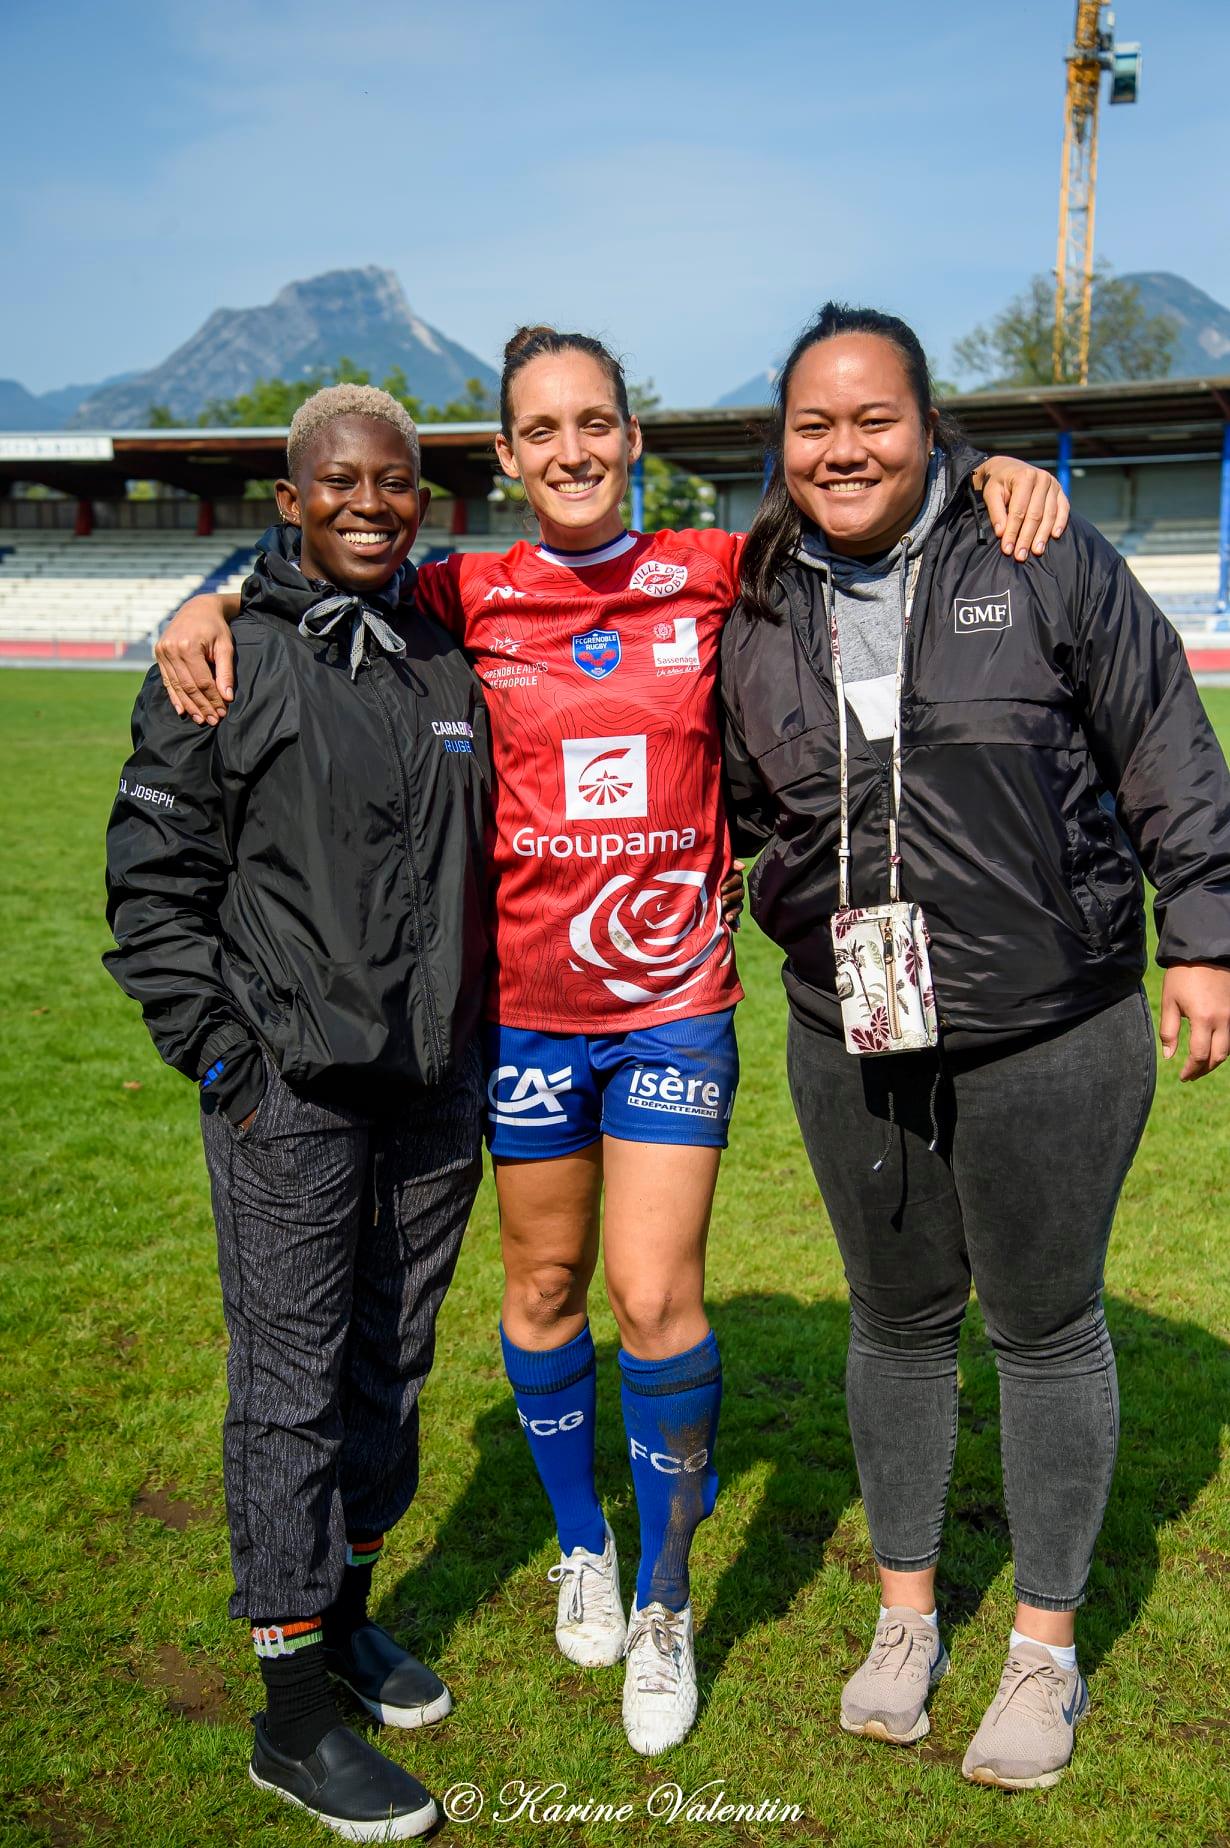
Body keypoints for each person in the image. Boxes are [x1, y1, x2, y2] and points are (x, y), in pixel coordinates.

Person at [154, 329, 1068, 1756]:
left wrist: (987, 468)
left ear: (633, 440)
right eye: (541, 429)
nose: (571, 449)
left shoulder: (715, 569)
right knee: (537, 1287)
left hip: (667, 1006)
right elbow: (313, 576)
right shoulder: (459, 591)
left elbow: (867, 498)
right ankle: (579, 1539)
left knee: (652, 1299)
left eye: (596, 423)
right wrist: (199, 609)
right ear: (507, 459)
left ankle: (660, 1596)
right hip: (516, 1017)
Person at [721, 302, 1230, 1790]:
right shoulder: (749, 591)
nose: (843, 446)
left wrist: (1201, 937)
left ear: (929, 427)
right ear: (782, 444)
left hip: (1048, 1021)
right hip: (848, 1026)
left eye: (874, 417)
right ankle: (903, 1619)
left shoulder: (1037, 546)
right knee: (890, 1322)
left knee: (1043, 1324)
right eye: (813, 423)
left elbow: (1161, 738)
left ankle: (1043, 1648)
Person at [105, 385, 491, 1839]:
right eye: (340, 482)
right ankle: (286, 1715)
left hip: (433, 1087)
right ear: (291, 498)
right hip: (288, 1095)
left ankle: (343, 1617)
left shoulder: (443, 652)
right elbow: (153, 887)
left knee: (388, 1365)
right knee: (288, 1386)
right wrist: (224, 1062)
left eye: (394, 481)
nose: (370, 502)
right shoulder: (224, 660)